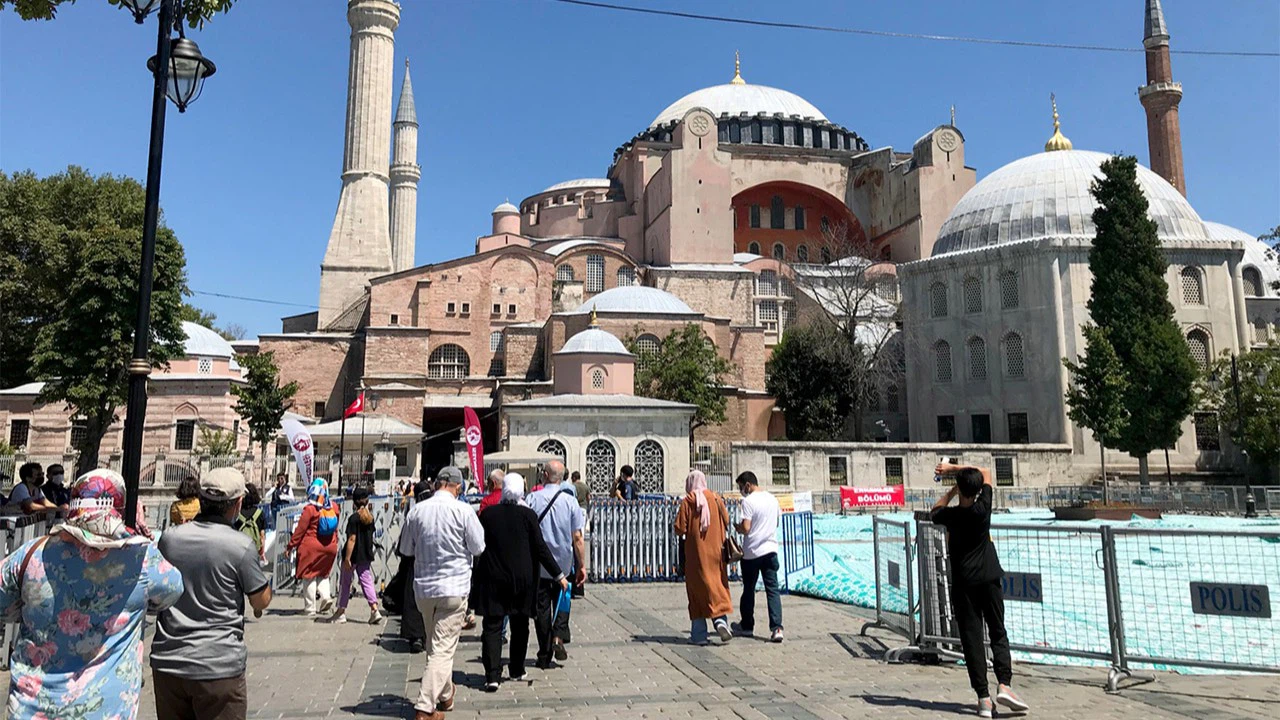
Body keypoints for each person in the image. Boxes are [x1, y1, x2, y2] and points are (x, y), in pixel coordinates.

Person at [0, 469, 184, 719]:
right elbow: (172, 592)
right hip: (104, 708)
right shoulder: (142, 559)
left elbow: (4, 605)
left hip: (32, 708)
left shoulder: (32, 554)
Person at [151, 467, 273, 720]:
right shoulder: (240, 545)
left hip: (169, 661)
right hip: (218, 664)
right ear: (237, 504)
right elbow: (260, 600)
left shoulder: (170, 539)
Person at [931, 463, 1029, 718]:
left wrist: (952, 489)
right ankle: (1004, 684)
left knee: (971, 639)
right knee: (997, 631)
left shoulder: (952, 516)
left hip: (964, 583)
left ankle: (983, 698)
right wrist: (954, 468)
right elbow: (985, 471)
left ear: (961, 489)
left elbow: (935, 510)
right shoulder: (983, 509)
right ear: (977, 491)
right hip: (989, 577)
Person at [398, 466, 485, 720]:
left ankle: (446, 694)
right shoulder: (463, 510)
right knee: (442, 649)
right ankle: (425, 707)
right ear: (456, 487)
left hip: (424, 588)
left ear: (437, 484)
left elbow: (406, 549)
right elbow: (478, 547)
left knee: (435, 645)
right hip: (454, 587)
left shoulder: (417, 511)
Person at [471, 473, 568, 691]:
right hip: (522, 579)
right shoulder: (528, 515)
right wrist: (559, 575)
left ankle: (492, 675)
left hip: (494, 577)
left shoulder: (488, 515)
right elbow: (540, 548)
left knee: (493, 625)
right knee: (520, 624)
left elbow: (477, 545)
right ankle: (516, 669)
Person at [525, 460, 586, 668]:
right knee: (563, 599)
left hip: (539, 563)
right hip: (563, 563)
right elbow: (577, 537)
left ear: (544, 475)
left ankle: (544, 653)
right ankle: (558, 635)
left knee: (542, 609)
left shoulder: (532, 498)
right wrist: (582, 565)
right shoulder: (570, 502)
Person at [674, 470, 733, 645]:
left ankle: (699, 635)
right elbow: (727, 520)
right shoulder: (716, 498)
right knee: (717, 585)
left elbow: (679, 528)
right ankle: (720, 621)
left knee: (696, 590)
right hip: (717, 553)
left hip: (695, 555)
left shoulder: (688, 501)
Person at [732, 471, 784, 643]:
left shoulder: (748, 501)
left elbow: (746, 527)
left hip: (752, 552)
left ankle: (747, 625)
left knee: (749, 589)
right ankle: (777, 627)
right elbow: (776, 522)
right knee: (772, 590)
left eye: (741, 487)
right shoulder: (772, 499)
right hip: (770, 549)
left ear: (747, 485)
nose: (741, 491)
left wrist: (739, 528)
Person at [326, 487, 384, 624]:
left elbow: (352, 539)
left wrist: (347, 558)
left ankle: (341, 611)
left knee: (345, 582)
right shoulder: (370, 518)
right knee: (366, 581)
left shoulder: (353, 519)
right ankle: (374, 609)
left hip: (353, 555)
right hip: (365, 554)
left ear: (354, 502)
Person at [286, 478, 341, 616]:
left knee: (309, 576)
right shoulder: (334, 507)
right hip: (330, 547)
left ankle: (310, 608)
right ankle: (326, 597)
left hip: (311, 548)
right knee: (323, 574)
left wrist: (291, 546)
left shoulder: (310, 509)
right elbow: (336, 528)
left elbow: (300, 530)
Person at [235, 483, 267, 563]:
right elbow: (262, 535)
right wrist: (262, 551)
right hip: (254, 550)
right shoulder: (259, 513)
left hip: (239, 549)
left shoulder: (237, 513)